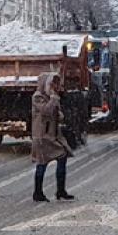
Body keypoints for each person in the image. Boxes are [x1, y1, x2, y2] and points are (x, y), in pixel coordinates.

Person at [30, 72, 75, 202]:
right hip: (42, 137)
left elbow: (58, 115)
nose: (54, 86)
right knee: (42, 163)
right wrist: (53, 99)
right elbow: (46, 112)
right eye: (52, 83)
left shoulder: (51, 97)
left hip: (53, 136)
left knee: (62, 156)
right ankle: (38, 192)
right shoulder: (38, 97)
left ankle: (60, 190)